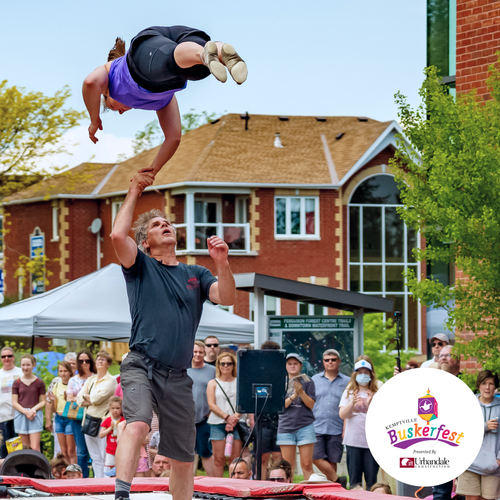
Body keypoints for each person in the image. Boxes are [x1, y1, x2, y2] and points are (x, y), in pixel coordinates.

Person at [111, 168, 235, 500]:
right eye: (156, 225)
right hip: (141, 364)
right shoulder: (140, 266)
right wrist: (135, 190)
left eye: (168, 223)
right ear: (145, 242)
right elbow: (116, 237)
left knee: (183, 458)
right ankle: (121, 495)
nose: (165, 225)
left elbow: (227, 297)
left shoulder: (196, 273)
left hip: (178, 377)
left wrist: (222, 263)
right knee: (137, 426)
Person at [82, 27, 247, 177]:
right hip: (182, 41)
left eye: (111, 107)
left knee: (170, 61)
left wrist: (94, 120)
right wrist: (154, 169)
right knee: (198, 71)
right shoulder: (161, 101)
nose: (119, 111)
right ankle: (221, 52)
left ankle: (204, 54)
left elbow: (90, 83)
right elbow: (173, 137)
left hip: (144, 51)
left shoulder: (109, 78)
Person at [338, 356, 382, 490]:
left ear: (371, 374)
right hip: (353, 441)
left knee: (371, 481)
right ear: (355, 374)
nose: (363, 375)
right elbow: (342, 414)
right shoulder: (349, 391)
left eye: (366, 372)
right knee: (354, 482)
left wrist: (371, 403)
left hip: (372, 443)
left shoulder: (378, 389)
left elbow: (383, 416)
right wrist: (352, 403)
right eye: (360, 372)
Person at [456, 370, 500, 500]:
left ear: (495, 387)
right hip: (469, 463)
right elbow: (459, 432)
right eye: (484, 383)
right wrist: (485, 426)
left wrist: (499, 459)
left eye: (491, 384)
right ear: (478, 385)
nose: (487, 387)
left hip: (493, 466)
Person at [76, 350, 117, 478]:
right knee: (94, 457)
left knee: (104, 456)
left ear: (108, 364)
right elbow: (78, 399)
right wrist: (87, 398)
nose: (99, 361)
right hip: (88, 421)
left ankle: (106, 484)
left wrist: (87, 398)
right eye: (98, 358)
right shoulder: (91, 379)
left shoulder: (111, 380)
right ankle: (97, 483)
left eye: (103, 359)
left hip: (102, 423)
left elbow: (96, 399)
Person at [312, 349, 349, 485]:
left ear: (338, 361)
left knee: (332, 461)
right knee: (315, 456)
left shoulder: (347, 381)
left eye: (333, 359)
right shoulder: (314, 380)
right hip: (317, 426)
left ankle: (332, 491)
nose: (330, 362)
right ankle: (338, 481)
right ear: (323, 362)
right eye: (327, 360)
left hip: (337, 426)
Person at [277, 353, 316, 481]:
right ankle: (290, 493)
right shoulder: (280, 381)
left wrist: (301, 392)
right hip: (286, 426)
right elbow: (280, 407)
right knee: (288, 466)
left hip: (305, 426)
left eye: (295, 364)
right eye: (289, 364)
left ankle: (310, 494)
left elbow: (311, 405)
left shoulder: (308, 381)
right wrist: (294, 395)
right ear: (285, 366)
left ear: (300, 365)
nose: (293, 366)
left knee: (306, 464)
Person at [207, 352, 242, 477]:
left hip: (236, 424)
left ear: (234, 365)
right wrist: (227, 417)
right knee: (218, 459)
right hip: (217, 423)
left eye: (229, 363)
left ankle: (234, 486)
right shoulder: (213, 383)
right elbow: (211, 404)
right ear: (218, 365)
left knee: (235, 460)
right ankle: (218, 488)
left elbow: (243, 403)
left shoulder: (240, 382)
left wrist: (234, 419)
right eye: (223, 363)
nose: (226, 366)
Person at [187, 341, 216, 476]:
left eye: (200, 352)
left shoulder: (212, 371)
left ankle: (214, 486)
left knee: (206, 452)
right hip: (185, 419)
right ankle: (188, 485)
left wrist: (211, 412)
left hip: (205, 418)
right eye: (194, 352)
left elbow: (219, 392)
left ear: (204, 353)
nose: (197, 355)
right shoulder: (183, 369)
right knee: (187, 453)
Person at [66, 349, 95, 478]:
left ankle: (98, 479)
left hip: (94, 417)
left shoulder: (96, 377)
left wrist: (80, 398)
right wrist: (88, 398)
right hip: (77, 418)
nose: (84, 363)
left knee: (96, 452)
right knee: (81, 452)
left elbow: (101, 398)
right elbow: (69, 399)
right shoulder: (73, 380)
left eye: (87, 360)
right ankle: (83, 479)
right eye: (81, 360)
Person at [11, 354, 46, 452]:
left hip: (35, 415)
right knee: (24, 447)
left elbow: (43, 401)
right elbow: (14, 402)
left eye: (28, 365)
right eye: (23, 365)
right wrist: (26, 412)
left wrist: (33, 410)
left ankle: (38, 467)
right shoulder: (16, 382)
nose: (25, 367)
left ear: (33, 365)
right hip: (21, 415)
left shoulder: (39, 382)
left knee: (35, 448)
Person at [51, 361, 77, 465]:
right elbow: (54, 409)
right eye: (60, 371)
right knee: (63, 452)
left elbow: (75, 405)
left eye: (65, 371)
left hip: (70, 418)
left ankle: (74, 472)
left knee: (71, 451)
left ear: (70, 372)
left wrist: (68, 400)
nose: (63, 373)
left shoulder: (73, 385)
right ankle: (66, 475)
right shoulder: (56, 385)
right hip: (58, 418)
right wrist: (53, 400)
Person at [0, 346, 22, 458]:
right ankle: (3, 474)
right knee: (3, 448)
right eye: (3, 356)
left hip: (19, 415)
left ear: (13, 357)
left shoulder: (21, 372)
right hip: (2, 417)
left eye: (9, 356)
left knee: (18, 448)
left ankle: (19, 473)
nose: (6, 358)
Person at [100, 396, 125, 473]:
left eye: (117, 408)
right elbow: (101, 435)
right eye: (113, 408)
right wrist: (110, 428)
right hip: (111, 451)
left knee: (123, 468)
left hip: (122, 450)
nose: (115, 410)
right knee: (112, 471)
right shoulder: (107, 420)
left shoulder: (124, 420)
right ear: (110, 409)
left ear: (121, 409)